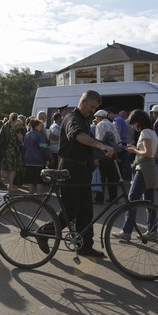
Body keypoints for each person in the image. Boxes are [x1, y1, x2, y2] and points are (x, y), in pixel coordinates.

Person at [39, 90, 115, 257]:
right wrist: (100, 146)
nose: (93, 111)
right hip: (69, 170)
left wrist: (100, 154)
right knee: (71, 211)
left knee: (86, 211)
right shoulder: (73, 119)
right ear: (83, 103)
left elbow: (85, 145)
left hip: (82, 169)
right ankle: (43, 232)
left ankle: (85, 246)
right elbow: (78, 136)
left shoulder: (85, 119)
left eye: (95, 108)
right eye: (92, 107)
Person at [112, 109, 158, 241]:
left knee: (132, 200)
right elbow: (152, 153)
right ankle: (152, 231)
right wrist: (137, 149)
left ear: (138, 122)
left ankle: (127, 232)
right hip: (150, 168)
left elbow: (148, 153)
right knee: (149, 202)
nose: (133, 127)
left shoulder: (145, 132)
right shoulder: (153, 132)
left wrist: (134, 150)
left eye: (133, 124)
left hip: (143, 168)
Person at [93, 109, 121, 204]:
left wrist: (96, 157)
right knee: (112, 177)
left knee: (101, 177)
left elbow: (99, 141)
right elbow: (117, 139)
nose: (95, 119)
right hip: (113, 153)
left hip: (103, 154)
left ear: (99, 117)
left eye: (96, 117)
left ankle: (99, 199)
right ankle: (114, 198)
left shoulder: (100, 125)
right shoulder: (112, 124)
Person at [23, 119, 49, 194]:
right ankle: (39, 193)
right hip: (39, 159)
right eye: (41, 125)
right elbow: (43, 148)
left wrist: (24, 157)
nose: (41, 127)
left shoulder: (27, 134)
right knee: (39, 178)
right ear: (37, 126)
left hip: (28, 158)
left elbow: (24, 147)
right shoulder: (40, 135)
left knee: (30, 177)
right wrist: (46, 158)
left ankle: (30, 192)